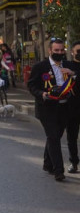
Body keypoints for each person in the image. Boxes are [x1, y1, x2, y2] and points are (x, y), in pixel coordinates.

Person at [27, 38, 77, 182]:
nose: (59, 53)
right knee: (53, 137)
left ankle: (47, 163)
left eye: (62, 50)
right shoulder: (40, 67)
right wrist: (42, 94)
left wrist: (73, 74)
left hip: (64, 107)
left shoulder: (68, 65)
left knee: (54, 136)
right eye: (56, 50)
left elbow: (76, 78)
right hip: (47, 108)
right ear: (50, 51)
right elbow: (31, 85)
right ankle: (58, 171)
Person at [66, 41, 80, 173]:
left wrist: (74, 75)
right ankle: (74, 162)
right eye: (78, 51)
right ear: (72, 52)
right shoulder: (67, 65)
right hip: (72, 107)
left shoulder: (71, 70)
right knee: (72, 137)